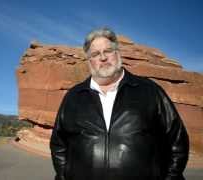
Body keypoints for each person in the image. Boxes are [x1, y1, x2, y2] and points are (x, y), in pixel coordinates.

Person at [50, 27, 189, 180]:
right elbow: (59, 144)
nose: (103, 58)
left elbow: (177, 141)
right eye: (95, 54)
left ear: (117, 53)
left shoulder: (149, 91)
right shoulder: (74, 96)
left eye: (108, 51)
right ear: (90, 61)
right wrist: (63, 176)